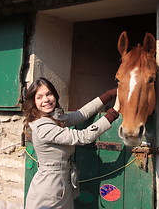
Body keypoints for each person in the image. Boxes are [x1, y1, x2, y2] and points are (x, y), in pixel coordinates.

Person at [22, 77, 119, 209]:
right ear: (33, 101)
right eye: (39, 97)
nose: (46, 100)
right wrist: (115, 111)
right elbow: (84, 136)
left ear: (55, 95)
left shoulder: (53, 118)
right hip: (49, 190)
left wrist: (110, 94)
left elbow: (81, 114)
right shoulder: (43, 126)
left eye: (49, 94)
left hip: (60, 184)